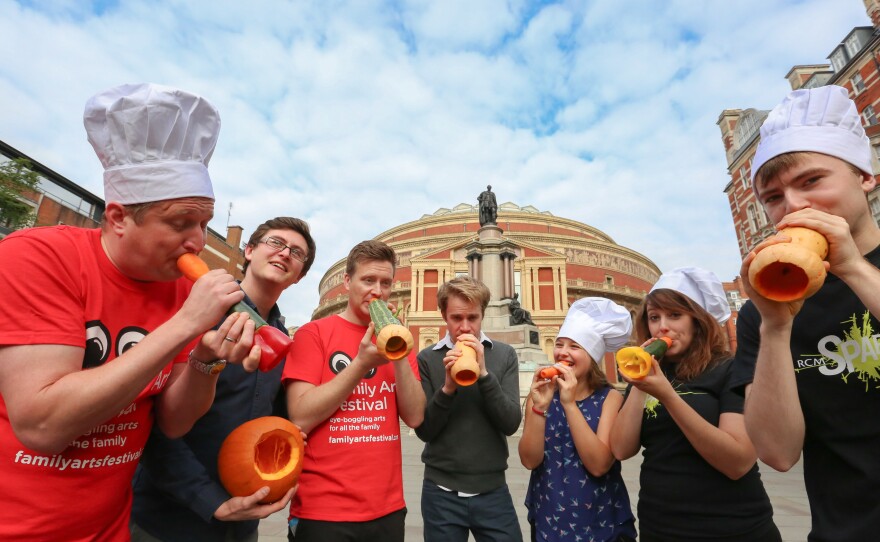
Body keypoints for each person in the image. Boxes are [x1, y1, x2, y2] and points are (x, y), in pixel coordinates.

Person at [0, 83, 260, 541]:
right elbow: (42, 423)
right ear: (119, 217)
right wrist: (184, 324)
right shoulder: (38, 257)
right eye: (180, 223)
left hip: (108, 528)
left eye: (204, 224)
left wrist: (205, 361)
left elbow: (174, 421)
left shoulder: (180, 289)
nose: (198, 242)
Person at [735, 85, 880, 542]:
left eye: (812, 181)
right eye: (773, 197)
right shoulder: (766, 310)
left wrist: (853, 267)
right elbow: (777, 453)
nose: (793, 206)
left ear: (865, 176)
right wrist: (776, 329)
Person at [130, 217, 317, 541]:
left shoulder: (282, 339)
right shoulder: (192, 314)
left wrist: (287, 433)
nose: (286, 253)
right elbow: (152, 423)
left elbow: (269, 414)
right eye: (276, 243)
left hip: (243, 523)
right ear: (249, 250)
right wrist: (212, 502)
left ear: (299, 276)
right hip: (168, 522)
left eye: (297, 253)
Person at [610, 267, 780, 542]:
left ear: (697, 321)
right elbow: (620, 448)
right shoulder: (650, 375)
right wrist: (640, 384)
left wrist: (668, 396)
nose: (662, 326)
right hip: (660, 526)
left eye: (675, 315)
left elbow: (737, 462)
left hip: (733, 528)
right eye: (654, 317)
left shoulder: (730, 369)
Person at [283, 240, 425, 541]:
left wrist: (397, 351)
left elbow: (414, 416)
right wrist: (361, 363)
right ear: (347, 282)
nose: (377, 291)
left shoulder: (401, 339)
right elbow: (300, 416)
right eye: (368, 280)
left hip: (387, 509)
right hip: (323, 512)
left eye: (385, 283)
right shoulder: (314, 334)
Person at [520, 297, 637, 542]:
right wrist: (539, 408)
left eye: (575, 346)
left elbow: (599, 464)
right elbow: (530, 460)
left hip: (601, 518)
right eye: (560, 344)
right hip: (549, 516)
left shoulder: (610, 398)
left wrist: (569, 403)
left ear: (592, 356)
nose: (563, 352)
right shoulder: (540, 395)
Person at [415, 276, 523, 542]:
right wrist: (448, 389)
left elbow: (510, 422)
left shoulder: (504, 354)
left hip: (493, 491)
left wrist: (485, 374)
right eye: (456, 318)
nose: (465, 328)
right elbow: (425, 430)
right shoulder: (428, 358)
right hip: (440, 494)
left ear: (483, 314)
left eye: (472, 318)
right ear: (443, 315)